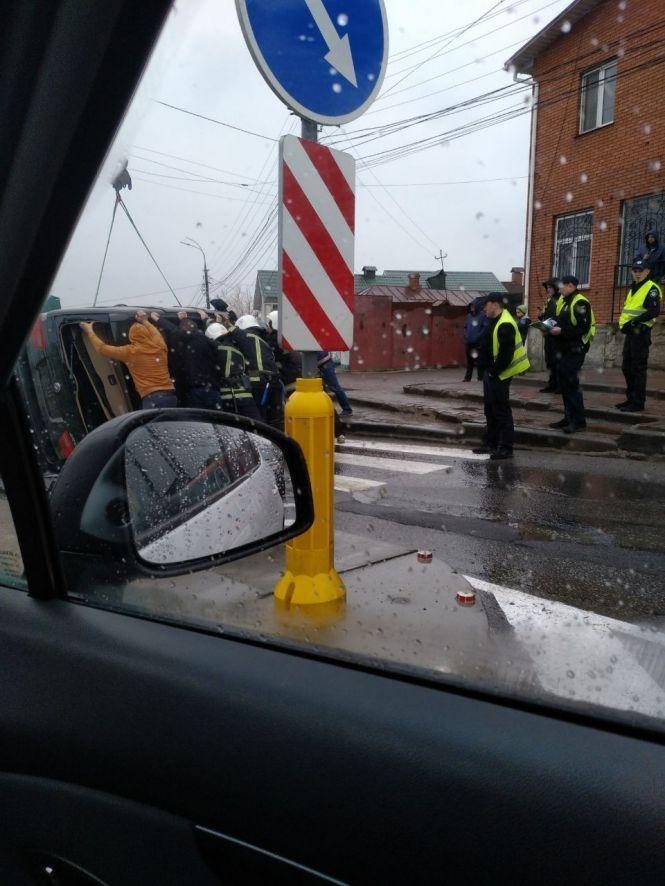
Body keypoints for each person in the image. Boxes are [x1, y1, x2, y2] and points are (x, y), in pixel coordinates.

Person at [472, 293, 530, 460]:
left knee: (500, 410)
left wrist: (492, 372)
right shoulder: (494, 320)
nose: (483, 308)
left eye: (486, 305)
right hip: (491, 373)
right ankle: (491, 443)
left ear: (495, 305)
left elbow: (506, 355)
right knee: (490, 409)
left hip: (500, 374)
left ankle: (506, 447)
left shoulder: (506, 324)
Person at [79, 310, 177, 409]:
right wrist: (145, 321)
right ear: (147, 334)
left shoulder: (130, 352)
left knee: (152, 424)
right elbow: (155, 333)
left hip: (152, 398)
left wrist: (90, 331)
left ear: (131, 337)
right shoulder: (160, 346)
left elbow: (102, 349)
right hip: (171, 396)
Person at [548, 275, 595, 434]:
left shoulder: (580, 302)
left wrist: (562, 331)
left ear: (570, 286)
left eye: (561, 286)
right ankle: (568, 417)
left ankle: (578, 421)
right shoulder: (564, 300)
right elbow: (560, 321)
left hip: (576, 349)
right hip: (564, 348)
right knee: (564, 384)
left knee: (572, 384)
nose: (559, 289)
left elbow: (583, 328)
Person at [150, 309, 222, 410]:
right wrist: (208, 319)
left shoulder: (186, 342)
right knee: (217, 422)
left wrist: (158, 319)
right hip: (214, 391)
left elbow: (173, 330)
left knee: (200, 422)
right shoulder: (208, 341)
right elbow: (218, 333)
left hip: (197, 392)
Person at [616, 258, 662, 412]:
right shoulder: (633, 287)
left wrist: (634, 322)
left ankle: (638, 402)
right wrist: (625, 325)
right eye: (634, 270)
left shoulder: (652, 288)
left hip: (641, 334)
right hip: (630, 333)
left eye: (640, 271)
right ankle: (630, 398)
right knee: (627, 367)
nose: (637, 273)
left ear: (647, 271)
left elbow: (653, 311)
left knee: (638, 368)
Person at [205, 323, 261, 421]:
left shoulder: (214, 351)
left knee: (228, 430)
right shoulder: (238, 349)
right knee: (254, 427)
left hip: (225, 397)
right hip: (245, 396)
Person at [234, 314, 280, 419]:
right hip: (272, 380)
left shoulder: (246, 336)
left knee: (259, 415)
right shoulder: (262, 340)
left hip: (258, 381)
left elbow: (233, 332)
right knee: (271, 415)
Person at [538, 278, 562, 393]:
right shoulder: (550, 300)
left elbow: (557, 318)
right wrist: (541, 318)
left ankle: (559, 386)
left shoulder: (561, 300)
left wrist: (545, 324)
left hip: (557, 336)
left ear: (556, 288)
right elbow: (547, 315)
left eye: (550, 287)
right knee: (550, 361)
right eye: (547, 288)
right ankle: (552, 384)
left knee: (557, 361)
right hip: (548, 335)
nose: (548, 289)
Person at [317, 351, 353, 416]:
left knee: (335, 388)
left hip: (324, 364)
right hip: (322, 365)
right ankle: (324, 409)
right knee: (321, 389)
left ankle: (347, 409)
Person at [462, 298, 487, 382]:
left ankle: (480, 377)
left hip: (478, 342)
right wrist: (466, 335)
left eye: (473, 306)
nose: (472, 307)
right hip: (469, 342)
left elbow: (484, 327)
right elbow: (465, 327)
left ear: (477, 306)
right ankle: (467, 378)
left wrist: (478, 336)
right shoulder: (469, 316)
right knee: (469, 361)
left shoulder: (482, 315)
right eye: (471, 306)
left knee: (479, 361)